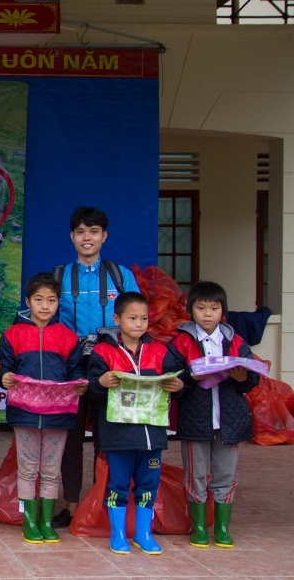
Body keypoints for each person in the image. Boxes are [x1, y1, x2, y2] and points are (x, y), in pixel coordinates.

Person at [53, 206, 139, 528]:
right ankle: (73, 507)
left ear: (104, 236)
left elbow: (135, 320)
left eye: (93, 231)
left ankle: (104, 505)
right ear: (71, 237)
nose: (86, 237)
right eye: (80, 232)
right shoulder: (59, 276)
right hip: (72, 367)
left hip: (110, 367)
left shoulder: (121, 276)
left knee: (109, 439)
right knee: (70, 440)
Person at [86, 293, 184, 555]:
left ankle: (144, 534)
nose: (139, 324)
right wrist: (100, 383)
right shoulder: (102, 352)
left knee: (148, 485)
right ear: (117, 319)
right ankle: (117, 534)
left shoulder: (161, 352)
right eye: (132, 318)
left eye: (144, 318)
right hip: (117, 436)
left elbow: (175, 386)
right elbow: (91, 392)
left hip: (152, 435)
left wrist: (178, 386)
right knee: (117, 484)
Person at [167, 281, 261, 549]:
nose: (207, 313)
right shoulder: (181, 342)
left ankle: (221, 528)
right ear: (190, 310)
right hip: (195, 422)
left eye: (214, 308)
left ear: (223, 311)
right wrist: (190, 377)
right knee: (195, 476)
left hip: (229, 421)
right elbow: (171, 379)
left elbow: (249, 381)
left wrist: (243, 378)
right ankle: (198, 528)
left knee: (225, 475)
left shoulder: (235, 341)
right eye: (200, 308)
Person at [0, 272, 86, 544]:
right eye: (39, 299)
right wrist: (3, 376)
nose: (45, 306)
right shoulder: (12, 334)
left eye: (51, 300)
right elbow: (4, 367)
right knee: (27, 468)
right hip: (24, 413)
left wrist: (80, 384)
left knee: (51, 469)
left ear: (59, 302)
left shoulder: (68, 337)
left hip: (58, 415)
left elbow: (76, 370)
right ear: (28, 301)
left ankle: (46, 522)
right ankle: (29, 521)